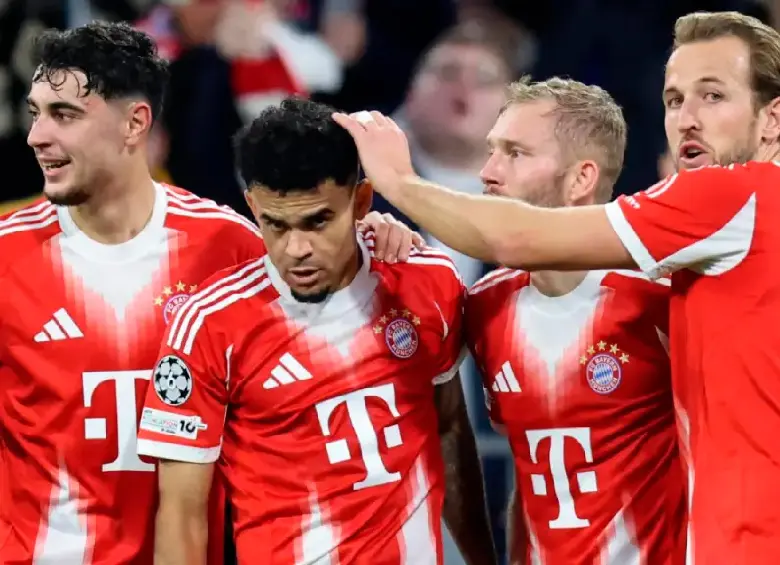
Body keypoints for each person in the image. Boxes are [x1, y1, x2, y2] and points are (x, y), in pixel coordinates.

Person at [334, 9, 780, 565]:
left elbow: (518, 237)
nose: (686, 118)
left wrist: (399, 182)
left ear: (772, 119)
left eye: (713, 96)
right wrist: (389, 239)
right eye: (673, 100)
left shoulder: (728, 207)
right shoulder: (497, 302)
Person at [0, 21, 418, 564]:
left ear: (135, 124)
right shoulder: (5, 256)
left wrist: (376, 242)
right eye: (35, 113)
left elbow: (331, 319)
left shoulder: (229, 246)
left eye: (65, 115)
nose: (37, 136)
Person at [136, 97, 498, 565]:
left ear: (361, 200)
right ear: (252, 205)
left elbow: (450, 429)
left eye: (318, 221)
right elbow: (183, 516)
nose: (297, 249)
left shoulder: (425, 280)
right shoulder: (209, 324)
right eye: (276, 225)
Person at [464, 77, 685, 564]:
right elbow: (532, 473)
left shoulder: (661, 297)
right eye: (491, 151)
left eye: (515, 153)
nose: (488, 172)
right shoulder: (485, 306)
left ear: (581, 179)